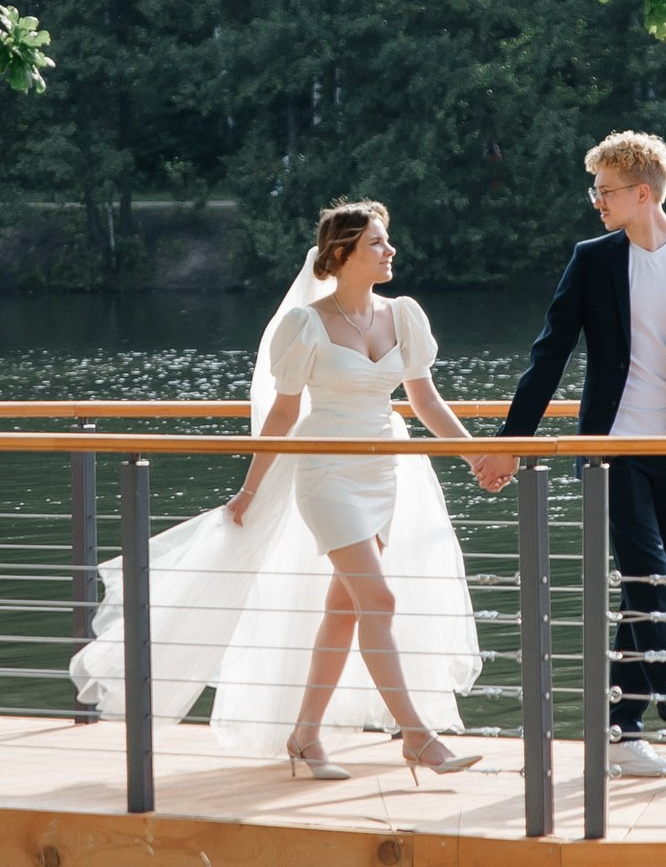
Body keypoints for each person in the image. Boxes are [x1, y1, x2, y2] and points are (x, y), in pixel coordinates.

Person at [70, 200, 486, 778]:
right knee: (379, 600)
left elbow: (425, 402)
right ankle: (417, 736)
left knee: (344, 611)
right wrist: (251, 489)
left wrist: (476, 454)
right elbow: (284, 413)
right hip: (326, 474)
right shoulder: (306, 325)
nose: (390, 251)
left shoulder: (404, 315)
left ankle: (305, 735)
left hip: (383, 472)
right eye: (377, 243)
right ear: (341, 254)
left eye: (387, 241)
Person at [484, 131, 666, 777]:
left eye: (605, 190)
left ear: (643, 193)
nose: (596, 201)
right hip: (610, 448)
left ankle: (618, 733)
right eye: (595, 189)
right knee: (654, 584)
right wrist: (509, 445)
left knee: (645, 593)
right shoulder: (593, 260)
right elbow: (548, 355)